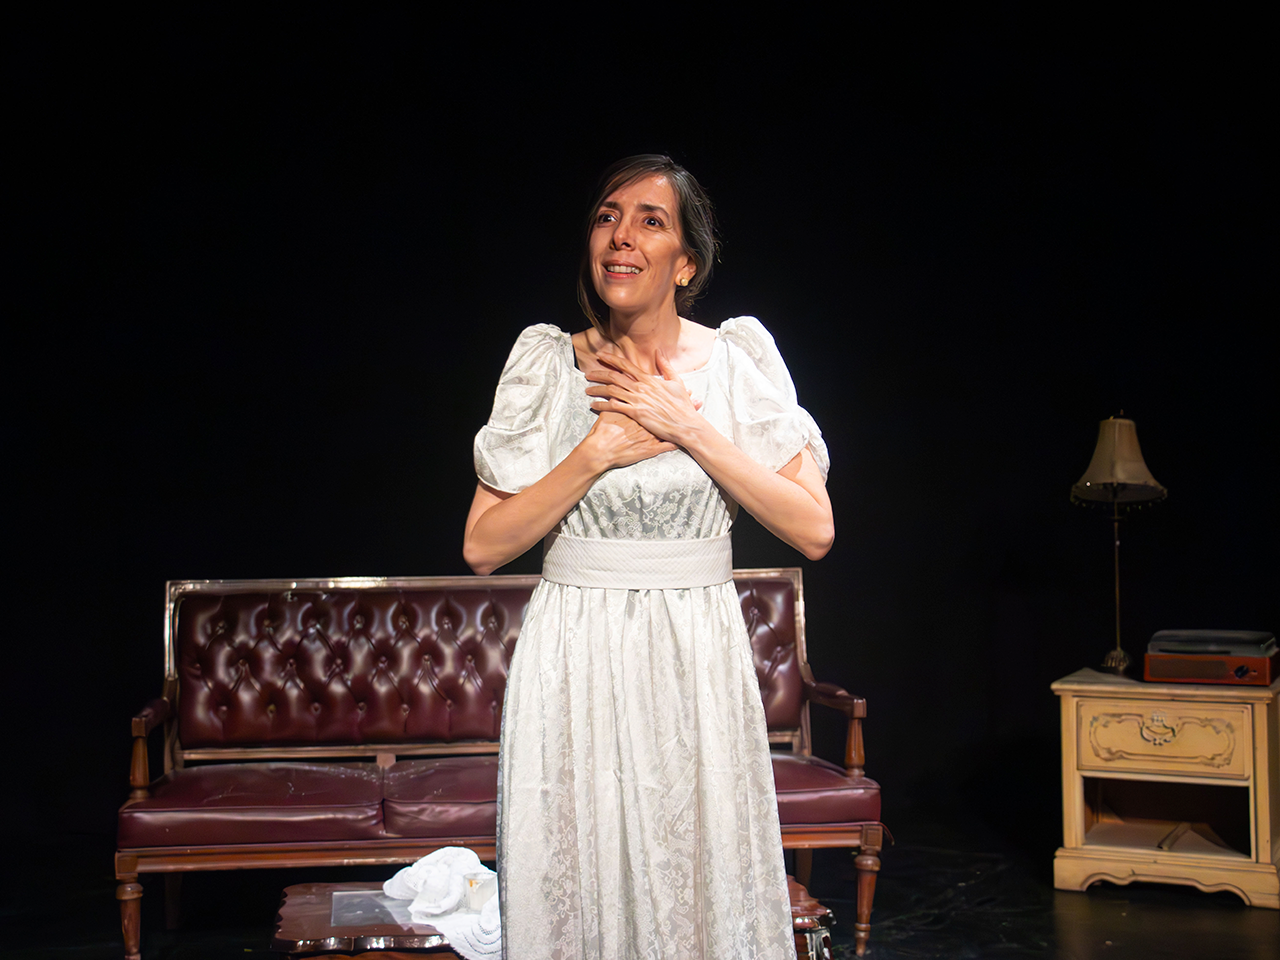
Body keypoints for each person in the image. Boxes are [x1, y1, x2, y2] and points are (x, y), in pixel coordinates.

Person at [463, 155, 833, 960]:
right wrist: (594, 453)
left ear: (685, 263)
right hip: (574, 651)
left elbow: (813, 528)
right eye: (607, 217)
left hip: (694, 652)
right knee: (580, 879)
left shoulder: (735, 361)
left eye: (649, 221)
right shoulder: (547, 365)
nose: (621, 236)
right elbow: (483, 545)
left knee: (696, 877)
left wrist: (688, 427)